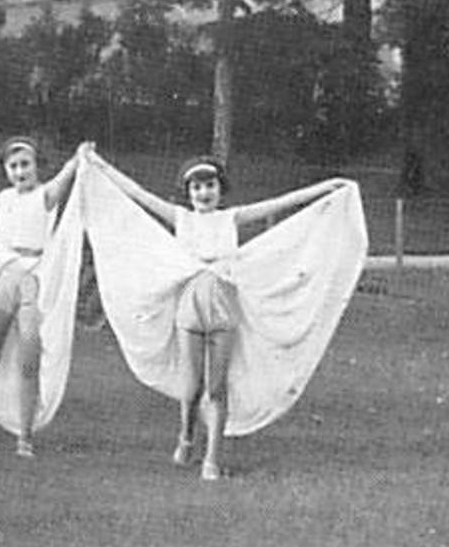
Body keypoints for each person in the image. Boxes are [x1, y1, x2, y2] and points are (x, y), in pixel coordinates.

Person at [87, 151, 354, 480]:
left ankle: (211, 457)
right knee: (191, 386)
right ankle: (186, 435)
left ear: (220, 188)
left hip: (224, 305)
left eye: (210, 185)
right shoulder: (181, 218)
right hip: (190, 305)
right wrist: (99, 166)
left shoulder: (232, 218)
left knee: (216, 385)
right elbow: (138, 195)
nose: (204, 193)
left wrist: (327, 187)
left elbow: (280, 203)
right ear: (188, 192)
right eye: (196, 187)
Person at [0, 138, 90, 457]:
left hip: (33, 276)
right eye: (13, 166)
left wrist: (78, 156)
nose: (20, 172)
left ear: (36, 166)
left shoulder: (45, 195)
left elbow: (65, 178)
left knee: (30, 357)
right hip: (2, 273)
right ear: (6, 170)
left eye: (25, 164)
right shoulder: (4, 197)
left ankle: (25, 436)